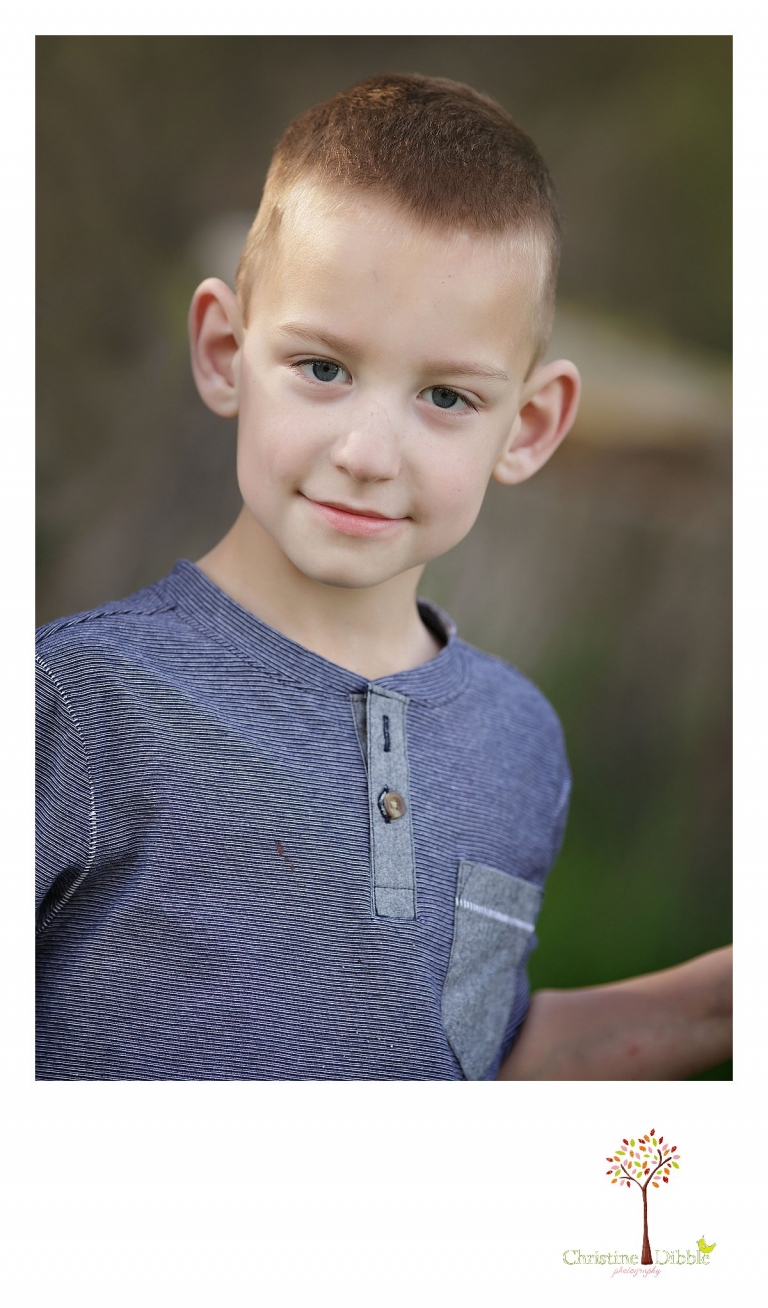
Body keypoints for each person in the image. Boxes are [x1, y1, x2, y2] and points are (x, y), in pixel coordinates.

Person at [35, 73, 732, 1080]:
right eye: (322, 369)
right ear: (226, 351)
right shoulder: (78, 699)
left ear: (529, 427)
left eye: (446, 395)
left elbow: (465, 1063)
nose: (368, 452)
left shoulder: (519, 743)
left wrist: (717, 1009)